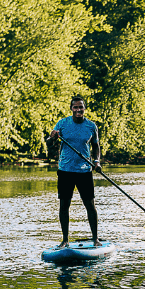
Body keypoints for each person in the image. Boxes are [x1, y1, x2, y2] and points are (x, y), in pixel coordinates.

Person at [46, 97, 102, 247]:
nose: (78, 110)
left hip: (84, 171)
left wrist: (97, 162)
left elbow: (96, 146)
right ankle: (65, 240)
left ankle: (95, 239)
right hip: (65, 170)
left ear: (84, 108)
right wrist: (52, 137)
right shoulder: (62, 124)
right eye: (75, 107)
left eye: (81, 107)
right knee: (64, 205)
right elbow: (49, 143)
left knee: (90, 205)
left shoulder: (91, 126)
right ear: (71, 109)